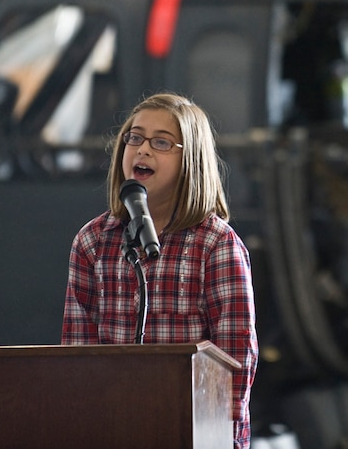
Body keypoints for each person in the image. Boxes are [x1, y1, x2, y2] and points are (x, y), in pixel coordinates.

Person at [61, 92, 258, 448]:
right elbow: (78, 357)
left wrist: (213, 436)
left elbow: (234, 364)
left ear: (191, 160)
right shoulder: (93, 241)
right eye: (134, 137)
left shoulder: (216, 245)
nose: (143, 149)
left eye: (162, 142)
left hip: (195, 434)